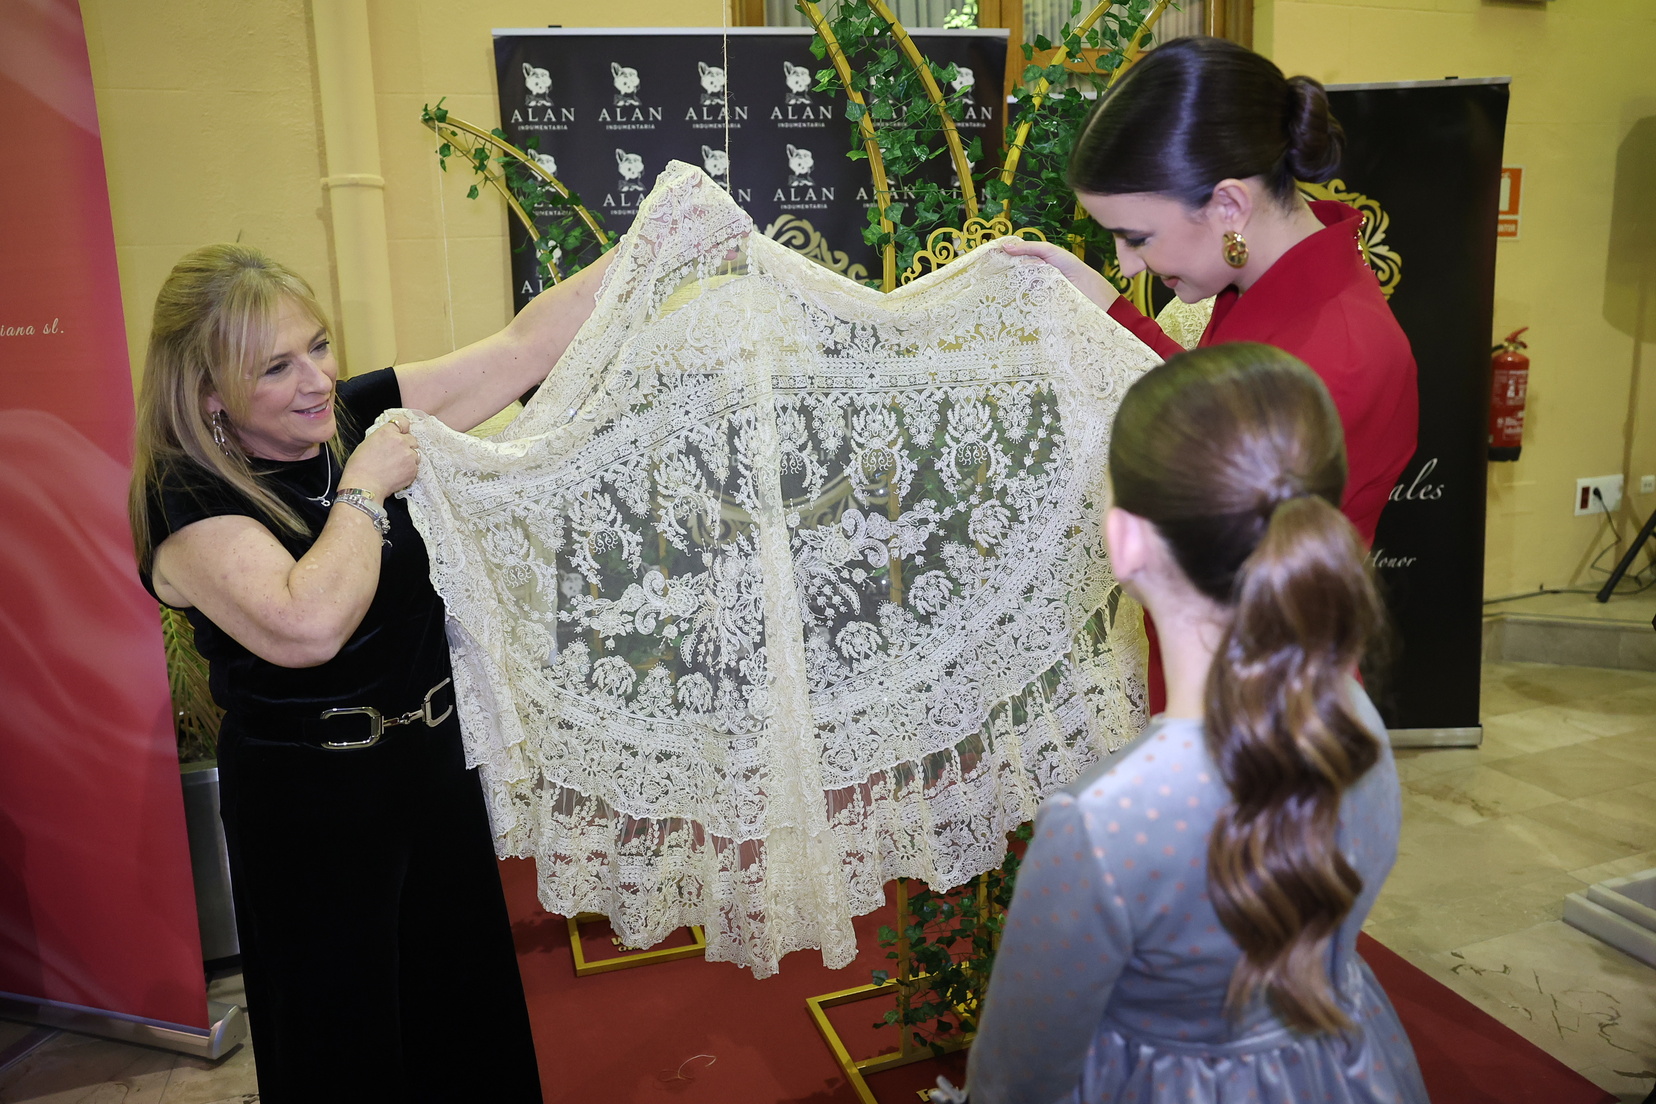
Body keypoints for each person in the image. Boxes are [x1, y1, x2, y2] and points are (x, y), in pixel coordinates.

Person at [130, 243, 609, 1103]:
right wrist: (363, 488)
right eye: (276, 367)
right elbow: (307, 625)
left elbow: (524, 347)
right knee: (345, 1042)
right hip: (311, 806)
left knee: (465, 1022)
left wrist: (660, 238)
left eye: (317, 345)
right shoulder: (189, 496)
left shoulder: (353, 414)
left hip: (431, 770)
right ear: (209, 395)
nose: (317, 379)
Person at [963, 343, 1428, 1104]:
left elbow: (1016, 1080)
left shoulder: (1102, 821)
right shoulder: (1355, 722)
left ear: (1125, 541)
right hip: (1345, 1068)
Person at [1004, 35, 1418, 713]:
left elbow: (1215, 452)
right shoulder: (1278, 291)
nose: (1127, 264)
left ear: (1228, 205)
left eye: (1137, 237)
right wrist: (1102, 303)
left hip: (1256, 711)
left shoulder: (1336, 356)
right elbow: (1215, 403)